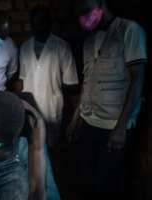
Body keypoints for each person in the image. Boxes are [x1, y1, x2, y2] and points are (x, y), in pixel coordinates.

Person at [67, 0, 147, 199]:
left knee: (109, 184)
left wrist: (121, 128)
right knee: (87, 180)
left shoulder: (129, 30)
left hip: (113, 125)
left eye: (86, 10)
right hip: (88, 121)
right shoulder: (88, 41)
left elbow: (137, 80)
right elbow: (87, 84)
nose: (83, 18)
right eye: (79, 14)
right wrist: (75, 119)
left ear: (101, 4)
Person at [20, 5, 79, 148]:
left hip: (52, 108)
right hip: (30, 108)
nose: (38, 26)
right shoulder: (25, 47)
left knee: (51, 149)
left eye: (42, 22)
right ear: (31, 24)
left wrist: (74, 117)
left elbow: (71, 83)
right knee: (32, 147)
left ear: (49, 23)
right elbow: (23, 79)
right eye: (35, 23)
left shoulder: (62, 46)